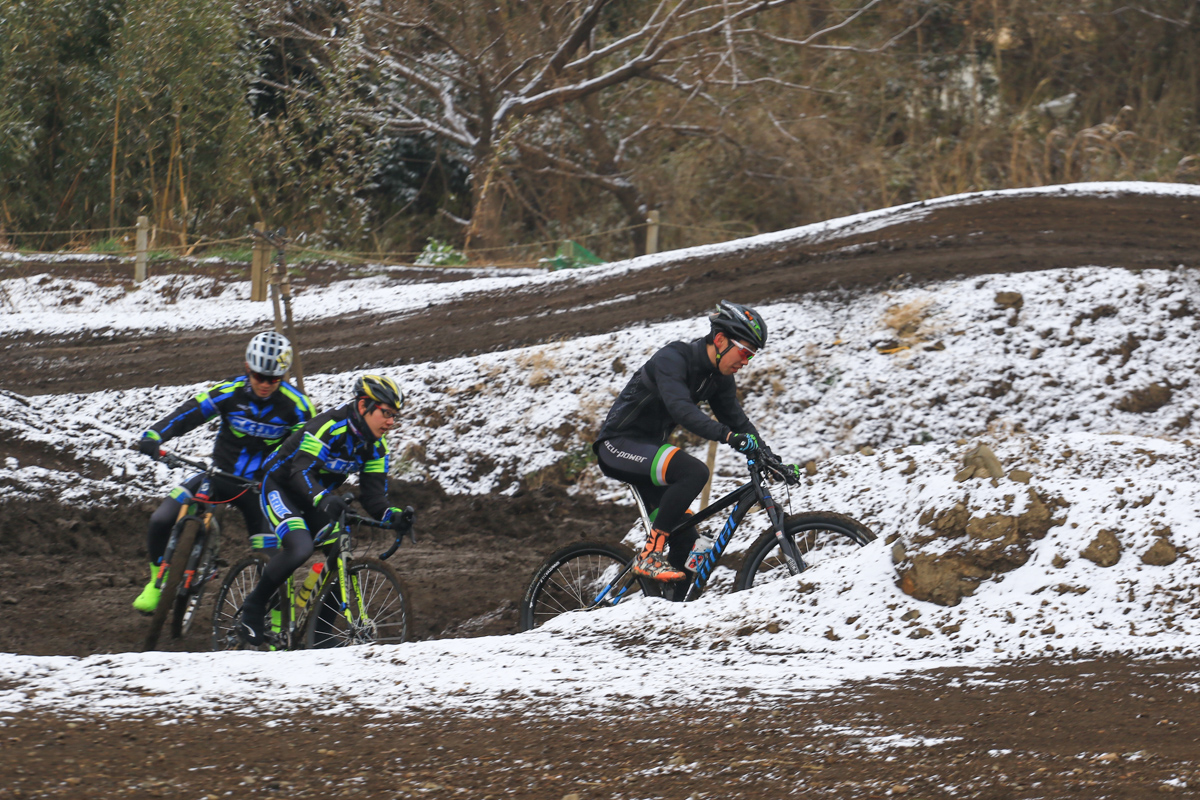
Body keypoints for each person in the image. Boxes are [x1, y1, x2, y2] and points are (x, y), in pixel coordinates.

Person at [132, 331, 314, 613]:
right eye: (258, 376)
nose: (265, 384)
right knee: (160, 519)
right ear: (247, 368)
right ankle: (158, 580)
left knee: (273, 560)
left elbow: (307, 452)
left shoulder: (298, 407)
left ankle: (278, 624)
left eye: (273, 379)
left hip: (259, 490)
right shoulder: (230, 391)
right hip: (218, 477)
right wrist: (154, 435)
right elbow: (190, 412)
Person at [592, 300, 769, 582]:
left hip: (648, 455)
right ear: (721, 339)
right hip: (618, 445)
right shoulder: (673, 358)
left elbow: (738, 421)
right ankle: (650, 554)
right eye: (745, 352)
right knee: (694, 471)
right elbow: (682, 410)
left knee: (688, 543)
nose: (746, 362)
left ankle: (672, 609)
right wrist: (727, 436)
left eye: (752, 356)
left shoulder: (718, 378)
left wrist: (767, 455)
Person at [237, 373, 415, 645]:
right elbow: (299, 471)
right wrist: (322, 498)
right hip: (281, 485)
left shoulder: (377, 447)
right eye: (386, 413)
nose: (391, 422)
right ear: (363, 405)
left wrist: (395, 517)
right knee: (300, 547)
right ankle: (252, 607)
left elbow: (374, 497)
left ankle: (319, 633)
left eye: (395, 415)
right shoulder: (330, 426)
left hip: (313, 495)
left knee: (339, 552)